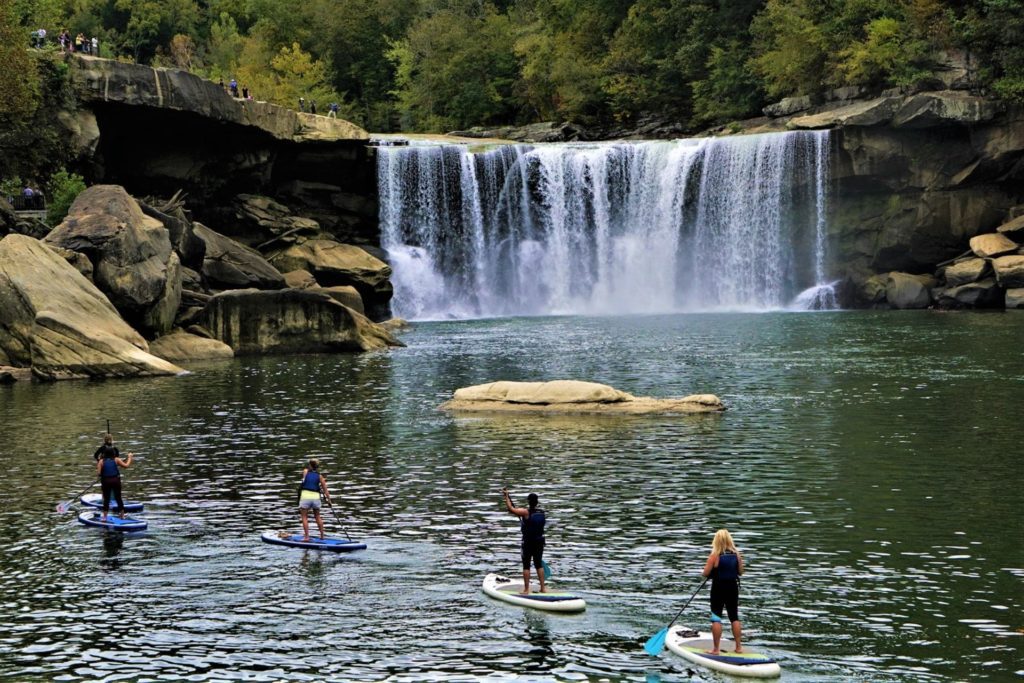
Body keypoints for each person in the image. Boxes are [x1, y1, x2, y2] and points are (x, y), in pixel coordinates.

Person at [702, 529, 744, 655]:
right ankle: (738, 647)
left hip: (718, 588)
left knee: (716, 618)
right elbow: (740, 572)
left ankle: (715, 649)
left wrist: (711, 572)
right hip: (732, 588)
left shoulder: (714, 555)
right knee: (734, 617)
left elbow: (705, 573)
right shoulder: (736, 555)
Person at [502, 488, 546, 594]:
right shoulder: (542, 513)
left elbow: (510, 509)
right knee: (538, 564)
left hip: (528, 543)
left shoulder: (525, 512)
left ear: (529, 502)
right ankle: (543, 588)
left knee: (526, 565)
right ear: (537, 502)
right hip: (540, 542)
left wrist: (506, 496)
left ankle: (526, 590)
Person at [95, 441, 133, 520]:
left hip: (106, 481)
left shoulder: (101, 461)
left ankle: (105, 517)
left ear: (104, 454)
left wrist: (102, 473)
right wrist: (129, 458)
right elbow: (126, 466)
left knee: (106, 499)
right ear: (113, 453)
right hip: (116, 480)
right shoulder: (116, 460)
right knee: (118, 497)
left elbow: (98, 473)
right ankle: (122, 515)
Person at [298, 458, 331, 541]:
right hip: (316, 497)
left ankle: (306, 537)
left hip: (306, 496)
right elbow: (325, 490)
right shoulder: (320, 476)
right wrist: (329, 501)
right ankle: (322, 535)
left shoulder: (305, 471)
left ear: (310, 465)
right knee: (317, 516)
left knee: (304, 517)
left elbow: (305, 479)